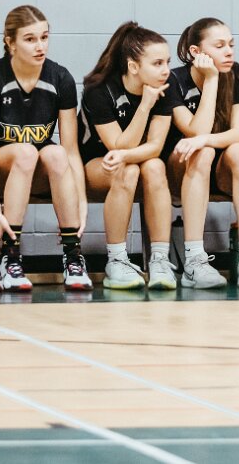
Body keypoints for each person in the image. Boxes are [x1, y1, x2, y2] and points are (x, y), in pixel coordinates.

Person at [0, 5, 88, 292]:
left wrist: (82, 202)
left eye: (44, 37)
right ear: (10, 43)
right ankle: (9, 257)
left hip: (35, 169)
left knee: (57, 153)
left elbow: (72, 150)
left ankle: (73, 256)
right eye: (30, 39)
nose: (40, 46)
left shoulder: (60, 78)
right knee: (26, 152)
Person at [164, 17, 239, 290]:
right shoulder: (174, 79)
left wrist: (204, 140)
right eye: (219, 46)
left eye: (231, 44)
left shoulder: (238, 73)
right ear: (196, 52)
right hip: (178, 169)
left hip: (218, 167)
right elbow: (195, 131)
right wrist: (210, 79)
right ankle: (194, 260)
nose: (229, 51)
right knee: (203, 152)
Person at [79, 22, 176, 290]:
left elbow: (155, 147)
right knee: (127, 170)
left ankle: (159, 260)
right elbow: (117, 146)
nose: (166, 70)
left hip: (137, 161)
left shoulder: (166, 86)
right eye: (157, 63)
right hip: (95, 165)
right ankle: (117, 260)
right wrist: (145, 105)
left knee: (155, 166)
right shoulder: (99, 90)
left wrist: (127, 155)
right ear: (133, 67)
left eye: (167, 62)